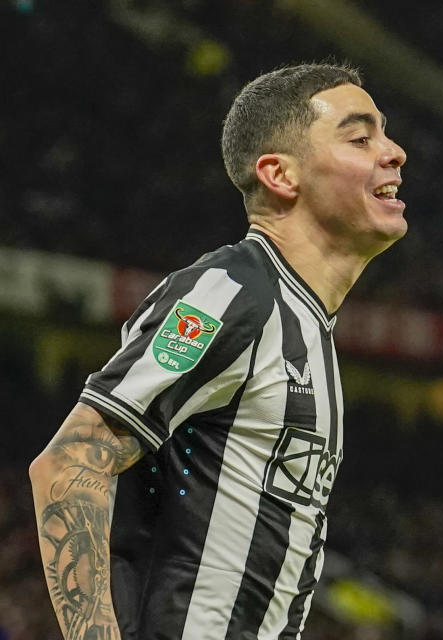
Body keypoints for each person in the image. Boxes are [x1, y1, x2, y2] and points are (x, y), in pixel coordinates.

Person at [29, 62, 408, 640]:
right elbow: (71, 461)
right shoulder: (231, 292)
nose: (395, 151)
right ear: (280, 175)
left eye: (385, 133)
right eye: (361, 137)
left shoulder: (305, 322)